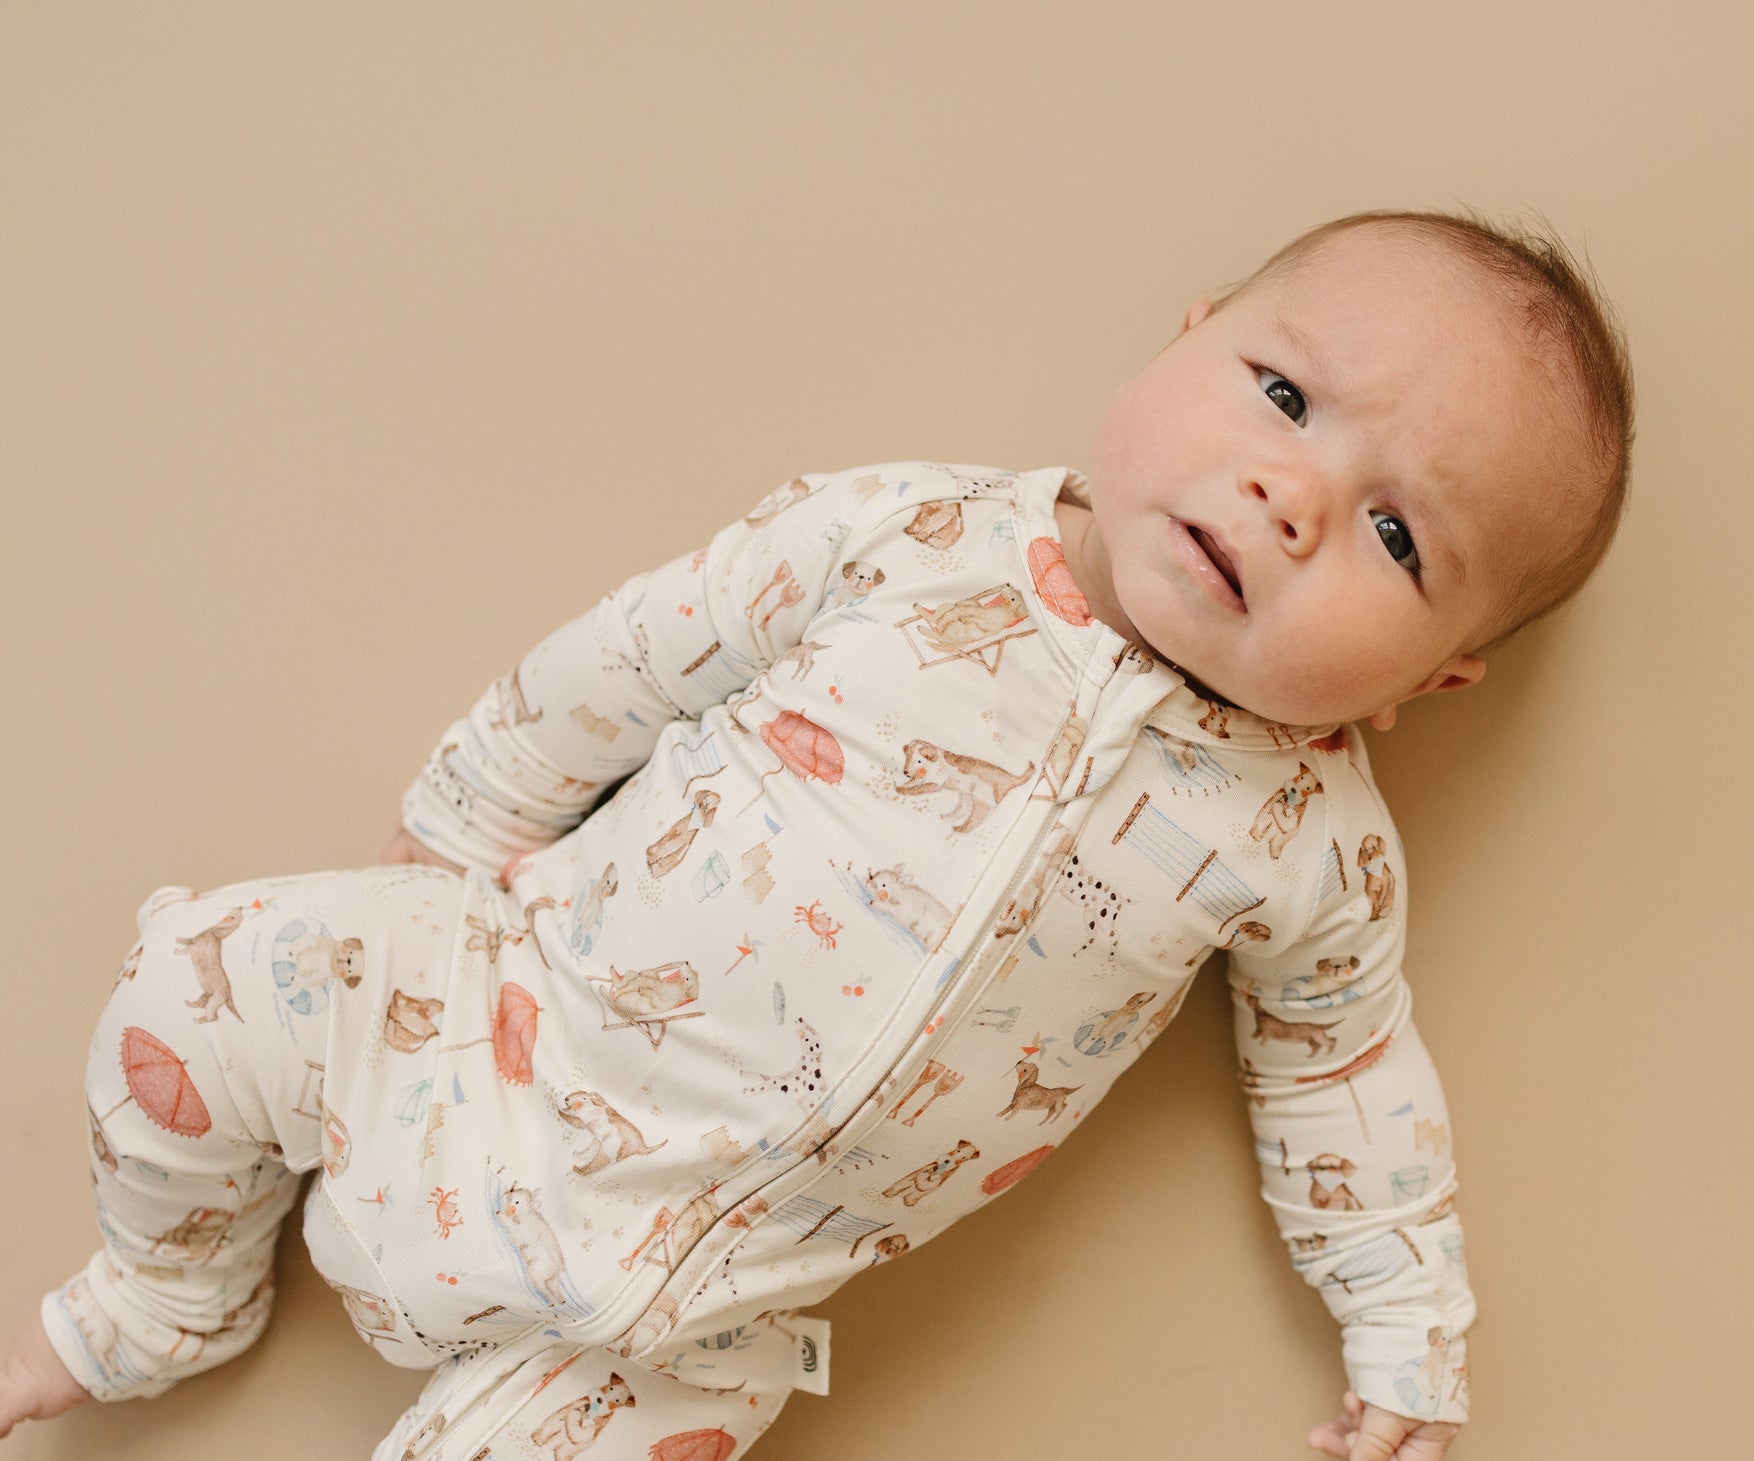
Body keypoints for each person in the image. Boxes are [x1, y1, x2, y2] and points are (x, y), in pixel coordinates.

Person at [0, 208, 1633, 1461]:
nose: (1295, 496)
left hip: (696, 1313)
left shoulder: (1310, 844)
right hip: (480, 1025)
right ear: (1181, 341)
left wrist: (1406, 1329)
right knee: (207, 977)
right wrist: (461, 822)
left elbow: (1344, 1074)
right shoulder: (907, 534)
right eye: (1281, 395)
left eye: (1398, 535)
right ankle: (164, 1293)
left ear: (1432, 679)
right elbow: (635, 654)